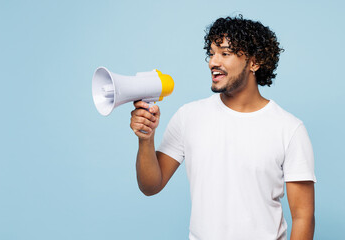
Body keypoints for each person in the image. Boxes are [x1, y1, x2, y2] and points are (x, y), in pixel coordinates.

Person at [130, 15, 316, 240]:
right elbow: (151, 185)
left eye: (225, 53)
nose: (213, 62)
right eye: (211, 53)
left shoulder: (289, 129)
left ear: (254, 62)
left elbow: (303, 216)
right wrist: (145, 139)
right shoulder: (188, 117)